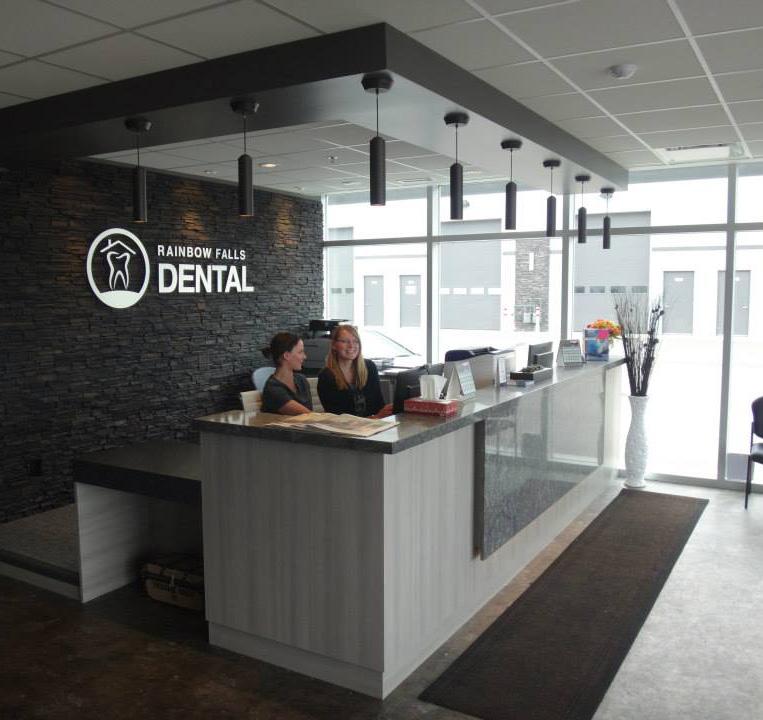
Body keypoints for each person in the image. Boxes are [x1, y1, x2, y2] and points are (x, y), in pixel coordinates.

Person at [317, 325, 392, 418]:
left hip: (376, 424)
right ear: (334, 345)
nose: (351, 346)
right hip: (347, 427)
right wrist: (375, 418)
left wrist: (388, 411)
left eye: (355, 341)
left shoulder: (369, 367)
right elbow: (337, 418)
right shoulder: (326, 376)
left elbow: (379, 405)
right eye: (345, 341)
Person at [260, 332, 313, 415]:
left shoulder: (301, 379)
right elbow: (307, 415)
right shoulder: (273, 389)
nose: (305, 356)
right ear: (286, 356)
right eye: (300, 352)